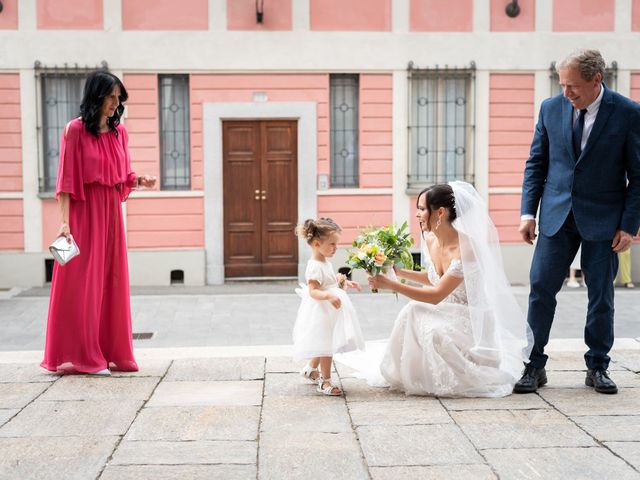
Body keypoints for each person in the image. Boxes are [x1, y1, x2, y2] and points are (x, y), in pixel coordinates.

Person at [517, 49, 640, 395]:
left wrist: (629, 225)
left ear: (596, 79)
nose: (566, 92)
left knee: (600, 295)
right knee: (541, 288)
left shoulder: (628, 113)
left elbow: (638, 176)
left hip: (605, 220)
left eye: (572, 86)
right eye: (562, 84)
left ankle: (598, 366)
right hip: (556, 216)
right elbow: (536, 164)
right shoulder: (550, 108)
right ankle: (533, 363)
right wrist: (528, 213)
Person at [366, 182, 532, 397]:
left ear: (441, 212)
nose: (417, 214)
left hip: (469, 319)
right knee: (412, 311)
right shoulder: (431, 239)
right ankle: (403, 371)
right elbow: (435, 278)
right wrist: (400, 273)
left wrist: (390, 284)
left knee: (417, 311)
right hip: (446, 310)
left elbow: (436, 295)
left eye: (422, 208)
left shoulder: (467, 248)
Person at [41, 70, 157, 375]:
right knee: (83, 285)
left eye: (119, 98)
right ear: (96, 96)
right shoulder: (75, 131)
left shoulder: (121, 133)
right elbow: (65, 181)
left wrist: (139, 180)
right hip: (83, 213)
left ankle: (108, 352)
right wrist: (64, 224)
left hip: (111, 216)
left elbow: (122, 175)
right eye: (110, 96)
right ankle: (84, 356)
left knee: (111, 282)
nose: (115, 103)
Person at [293, 218, 365, 396]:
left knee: (324, 343)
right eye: (332, 244)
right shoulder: (315, 266)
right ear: (317, 244)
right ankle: (325, 382)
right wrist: (328, 296)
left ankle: (310, 368)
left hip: (329, 311)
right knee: (326, 345)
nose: (335, 248)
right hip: (321, 311)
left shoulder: (325, 262)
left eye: (336, 244)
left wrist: (346, 282)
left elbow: (330, 282)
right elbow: (314, 291)